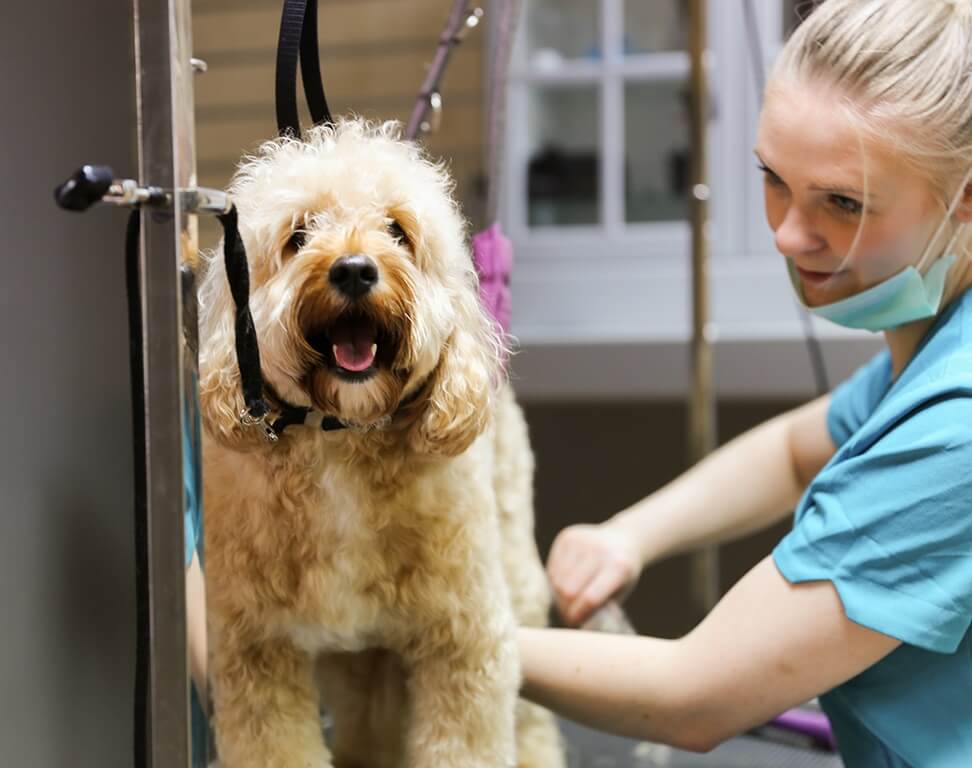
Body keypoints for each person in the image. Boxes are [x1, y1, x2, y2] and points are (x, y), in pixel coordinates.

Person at [521, 1, 972, 764]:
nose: (788, 235)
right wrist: (630, 536)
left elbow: (694, 698)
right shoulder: (934, 346)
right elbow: (800, 450)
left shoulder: (957, 425)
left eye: (843, 202)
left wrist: (442, 640)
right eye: (774, 180)